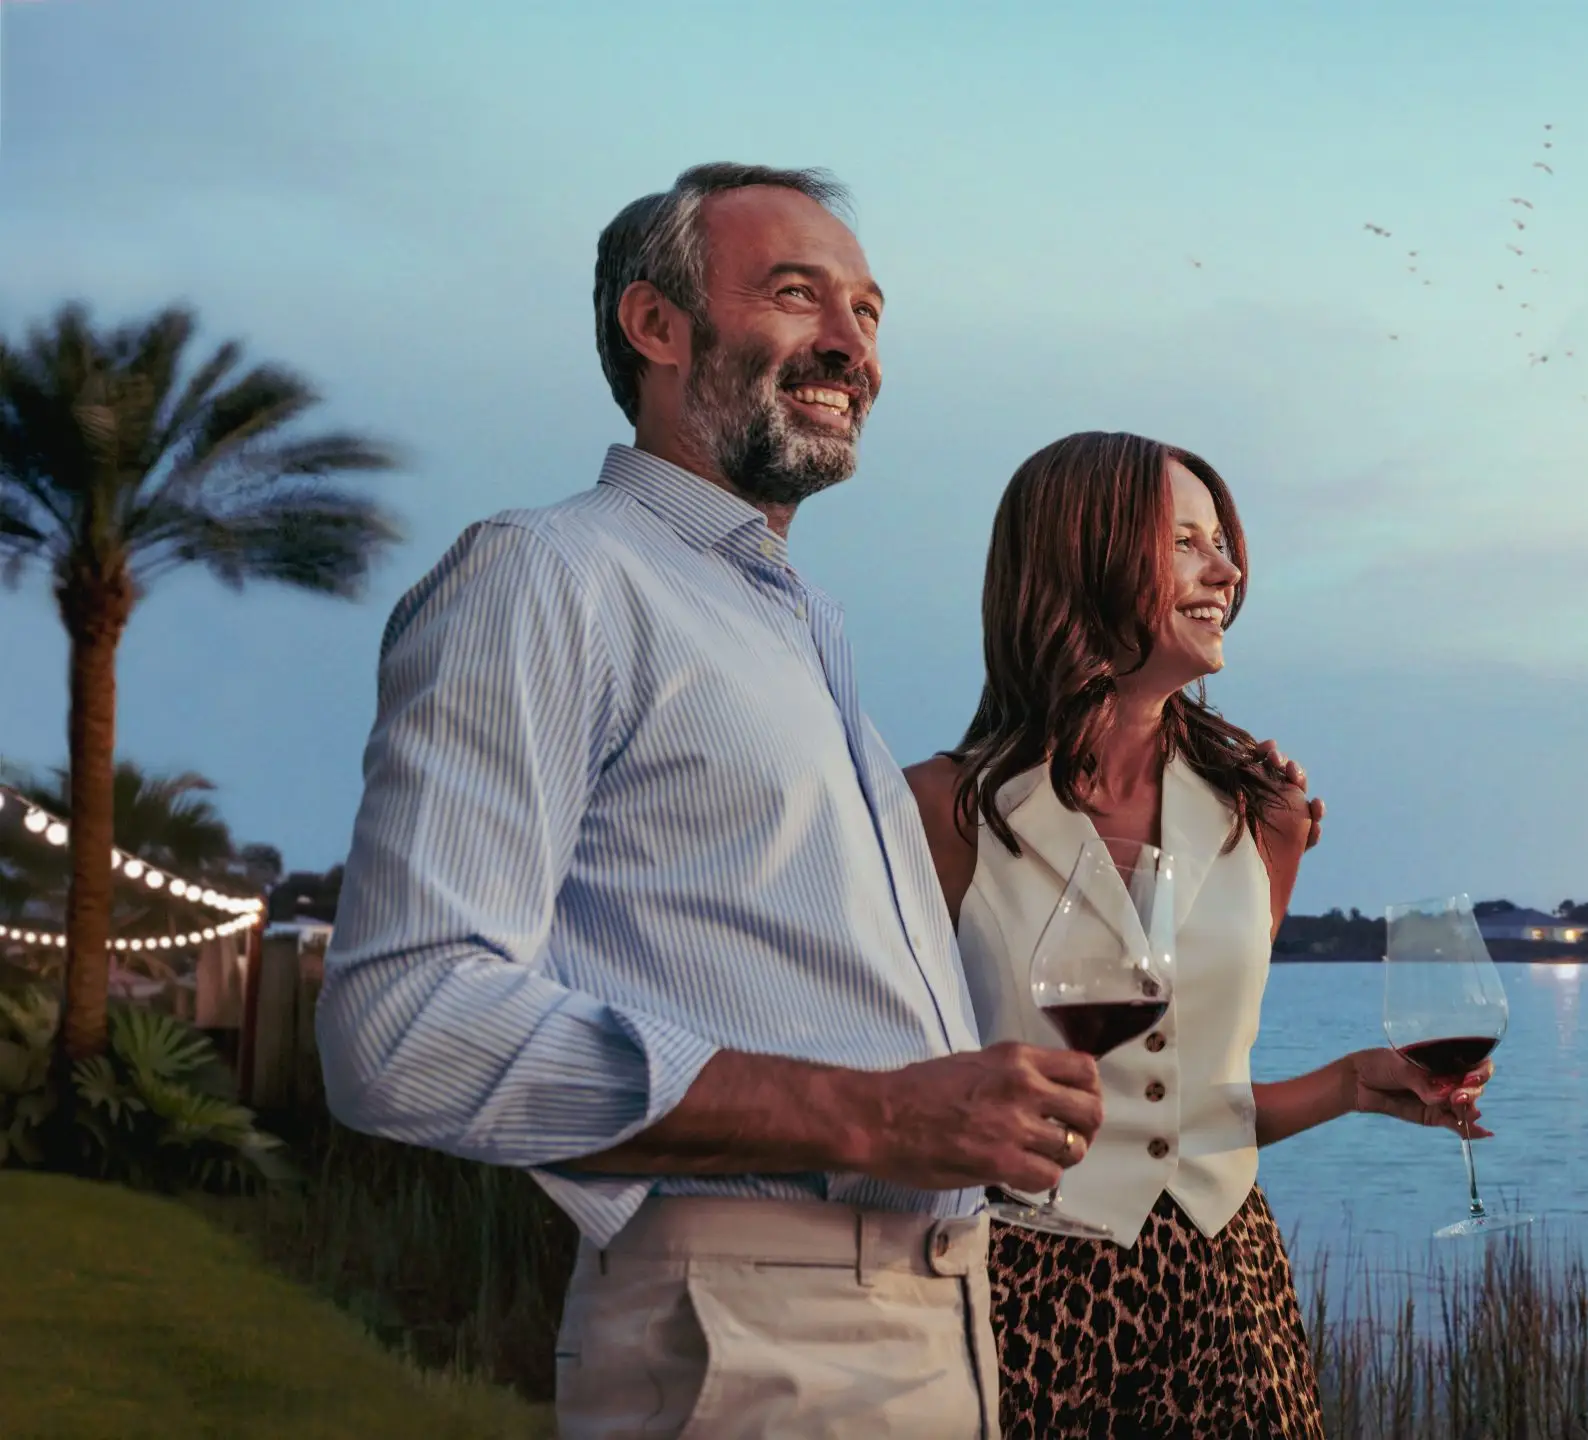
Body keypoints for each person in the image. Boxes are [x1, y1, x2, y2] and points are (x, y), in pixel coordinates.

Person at [318, 164, 1240, 1438]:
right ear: (656, 326)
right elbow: (400, 1025)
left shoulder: (801, 638)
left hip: (922, 1325)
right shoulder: (553, 576)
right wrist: (873, 1114)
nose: (850, 346)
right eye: (797, 295)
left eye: (868, 314)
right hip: (757, 1327)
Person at [905, 432, 1495, 1439]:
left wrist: (1352, 1084)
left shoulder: (1261, 812)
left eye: (1222, 544)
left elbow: (1189, 1109)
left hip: (1229, 1293)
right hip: (1016, 1294)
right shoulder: (940, 814)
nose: (1227, 571)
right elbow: (901, 1095)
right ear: (1080, 556)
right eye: (1186, 543)